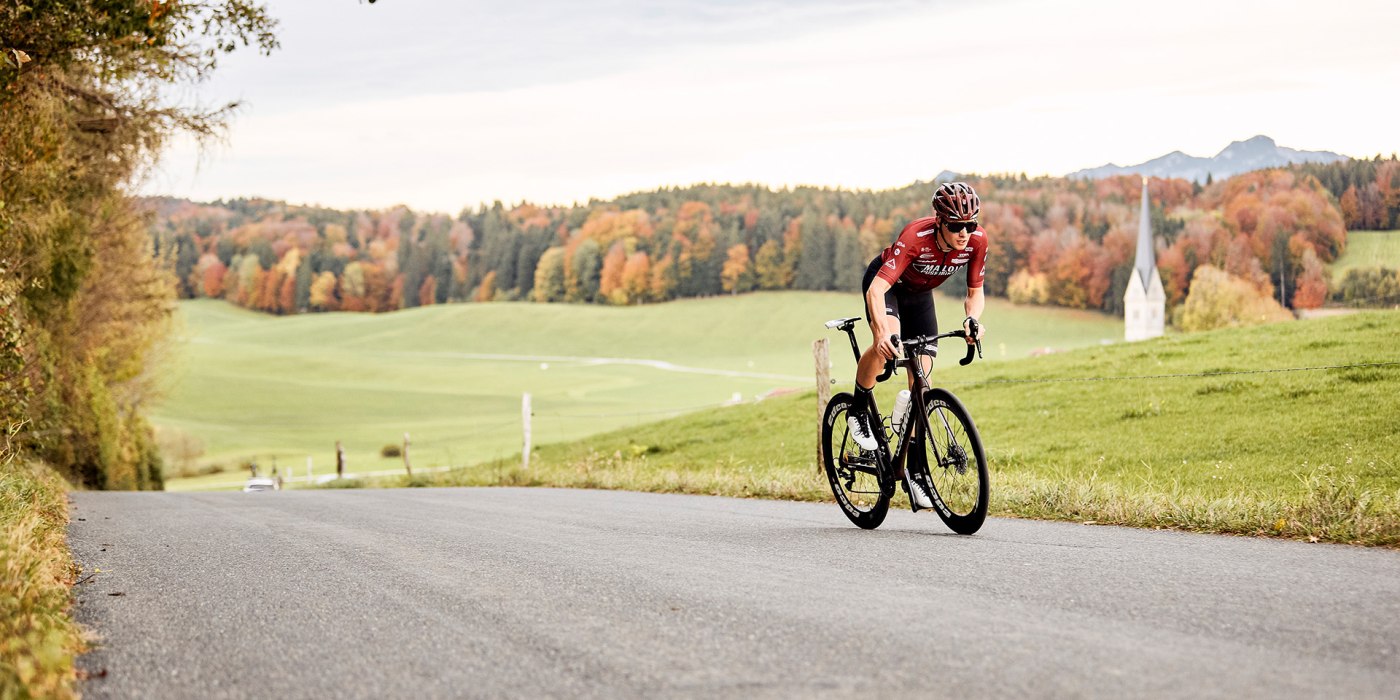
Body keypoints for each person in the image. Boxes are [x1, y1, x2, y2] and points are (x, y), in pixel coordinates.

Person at [847, 181, 988, 509]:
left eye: (971, 224)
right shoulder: (916, 237)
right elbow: (877, 291)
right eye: (956, 226)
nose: (964, 233)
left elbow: (974, 292)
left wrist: (973, 319)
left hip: (921, 296)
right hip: (888, 287)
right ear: (939, 221)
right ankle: (857, 408)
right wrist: (882, 332)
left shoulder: (976, 241)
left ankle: (915, 470)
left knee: (923, 381)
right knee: (888, 348)